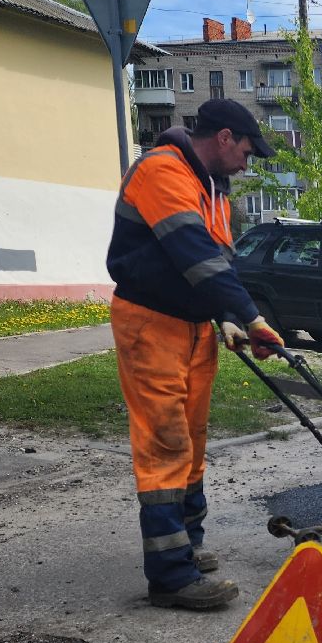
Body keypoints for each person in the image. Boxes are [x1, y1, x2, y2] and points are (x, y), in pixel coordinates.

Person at [107, 98, 285, 610]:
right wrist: (252, 317)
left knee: (193, 438)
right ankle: (170, 576)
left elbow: (219, 262)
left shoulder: (214, 189)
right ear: (225, 137)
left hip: (193, 327)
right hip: (151, 324)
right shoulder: (161, 171)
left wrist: (227, 318)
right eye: (247, 152)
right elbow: (194, 254)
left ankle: (189, 542)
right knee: (165, 443)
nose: (248, 164)